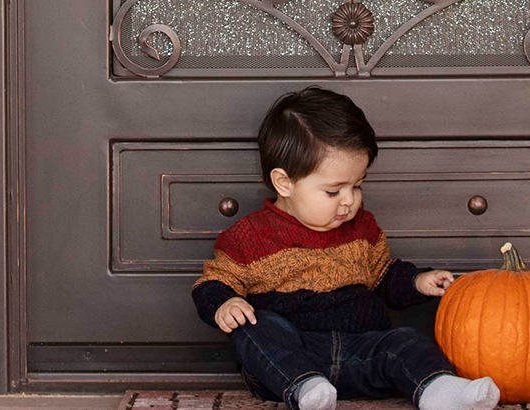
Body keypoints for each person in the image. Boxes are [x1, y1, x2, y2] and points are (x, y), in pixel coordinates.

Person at [191, 86, 501, 410]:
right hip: (293, 356)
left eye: (357, 185)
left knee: (406, 341)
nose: (349, 200)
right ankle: (305, 387)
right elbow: (213, 282)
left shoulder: (361, 229)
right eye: (333, 191)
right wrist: (224, 303)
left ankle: (439, 390)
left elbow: (382, 275)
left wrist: (416, 282)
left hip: (362, 352)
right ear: (285, 183)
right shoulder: (249, 237)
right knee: (254, 329)